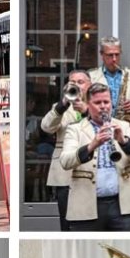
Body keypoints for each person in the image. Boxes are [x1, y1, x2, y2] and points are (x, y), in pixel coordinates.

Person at [59, 83, 130, 231]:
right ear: (87, 104)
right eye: (97, 102)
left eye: (106, 102)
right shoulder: (75, 129)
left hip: (121, 206)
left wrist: (123, 141)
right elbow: (65, 162)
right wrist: (92, 145)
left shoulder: (123, 126)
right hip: (85, 207)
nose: (103, 106)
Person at [41, 70, 91, 231]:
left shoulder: (97, 105)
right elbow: (47, 127)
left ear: (89, 85)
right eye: (72, 82)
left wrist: (87, 111)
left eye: (81, 82)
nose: (76, 85)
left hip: (90, 171)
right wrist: (63, 105)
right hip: (65, 173)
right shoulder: (60, 108)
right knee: (66, 222)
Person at [87, 36, 130, 121]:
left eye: (117, 54)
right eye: (110, 55)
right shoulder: (91, 76)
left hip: (127, 126)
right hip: (100, 125)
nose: (114, 59)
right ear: (101, 54)